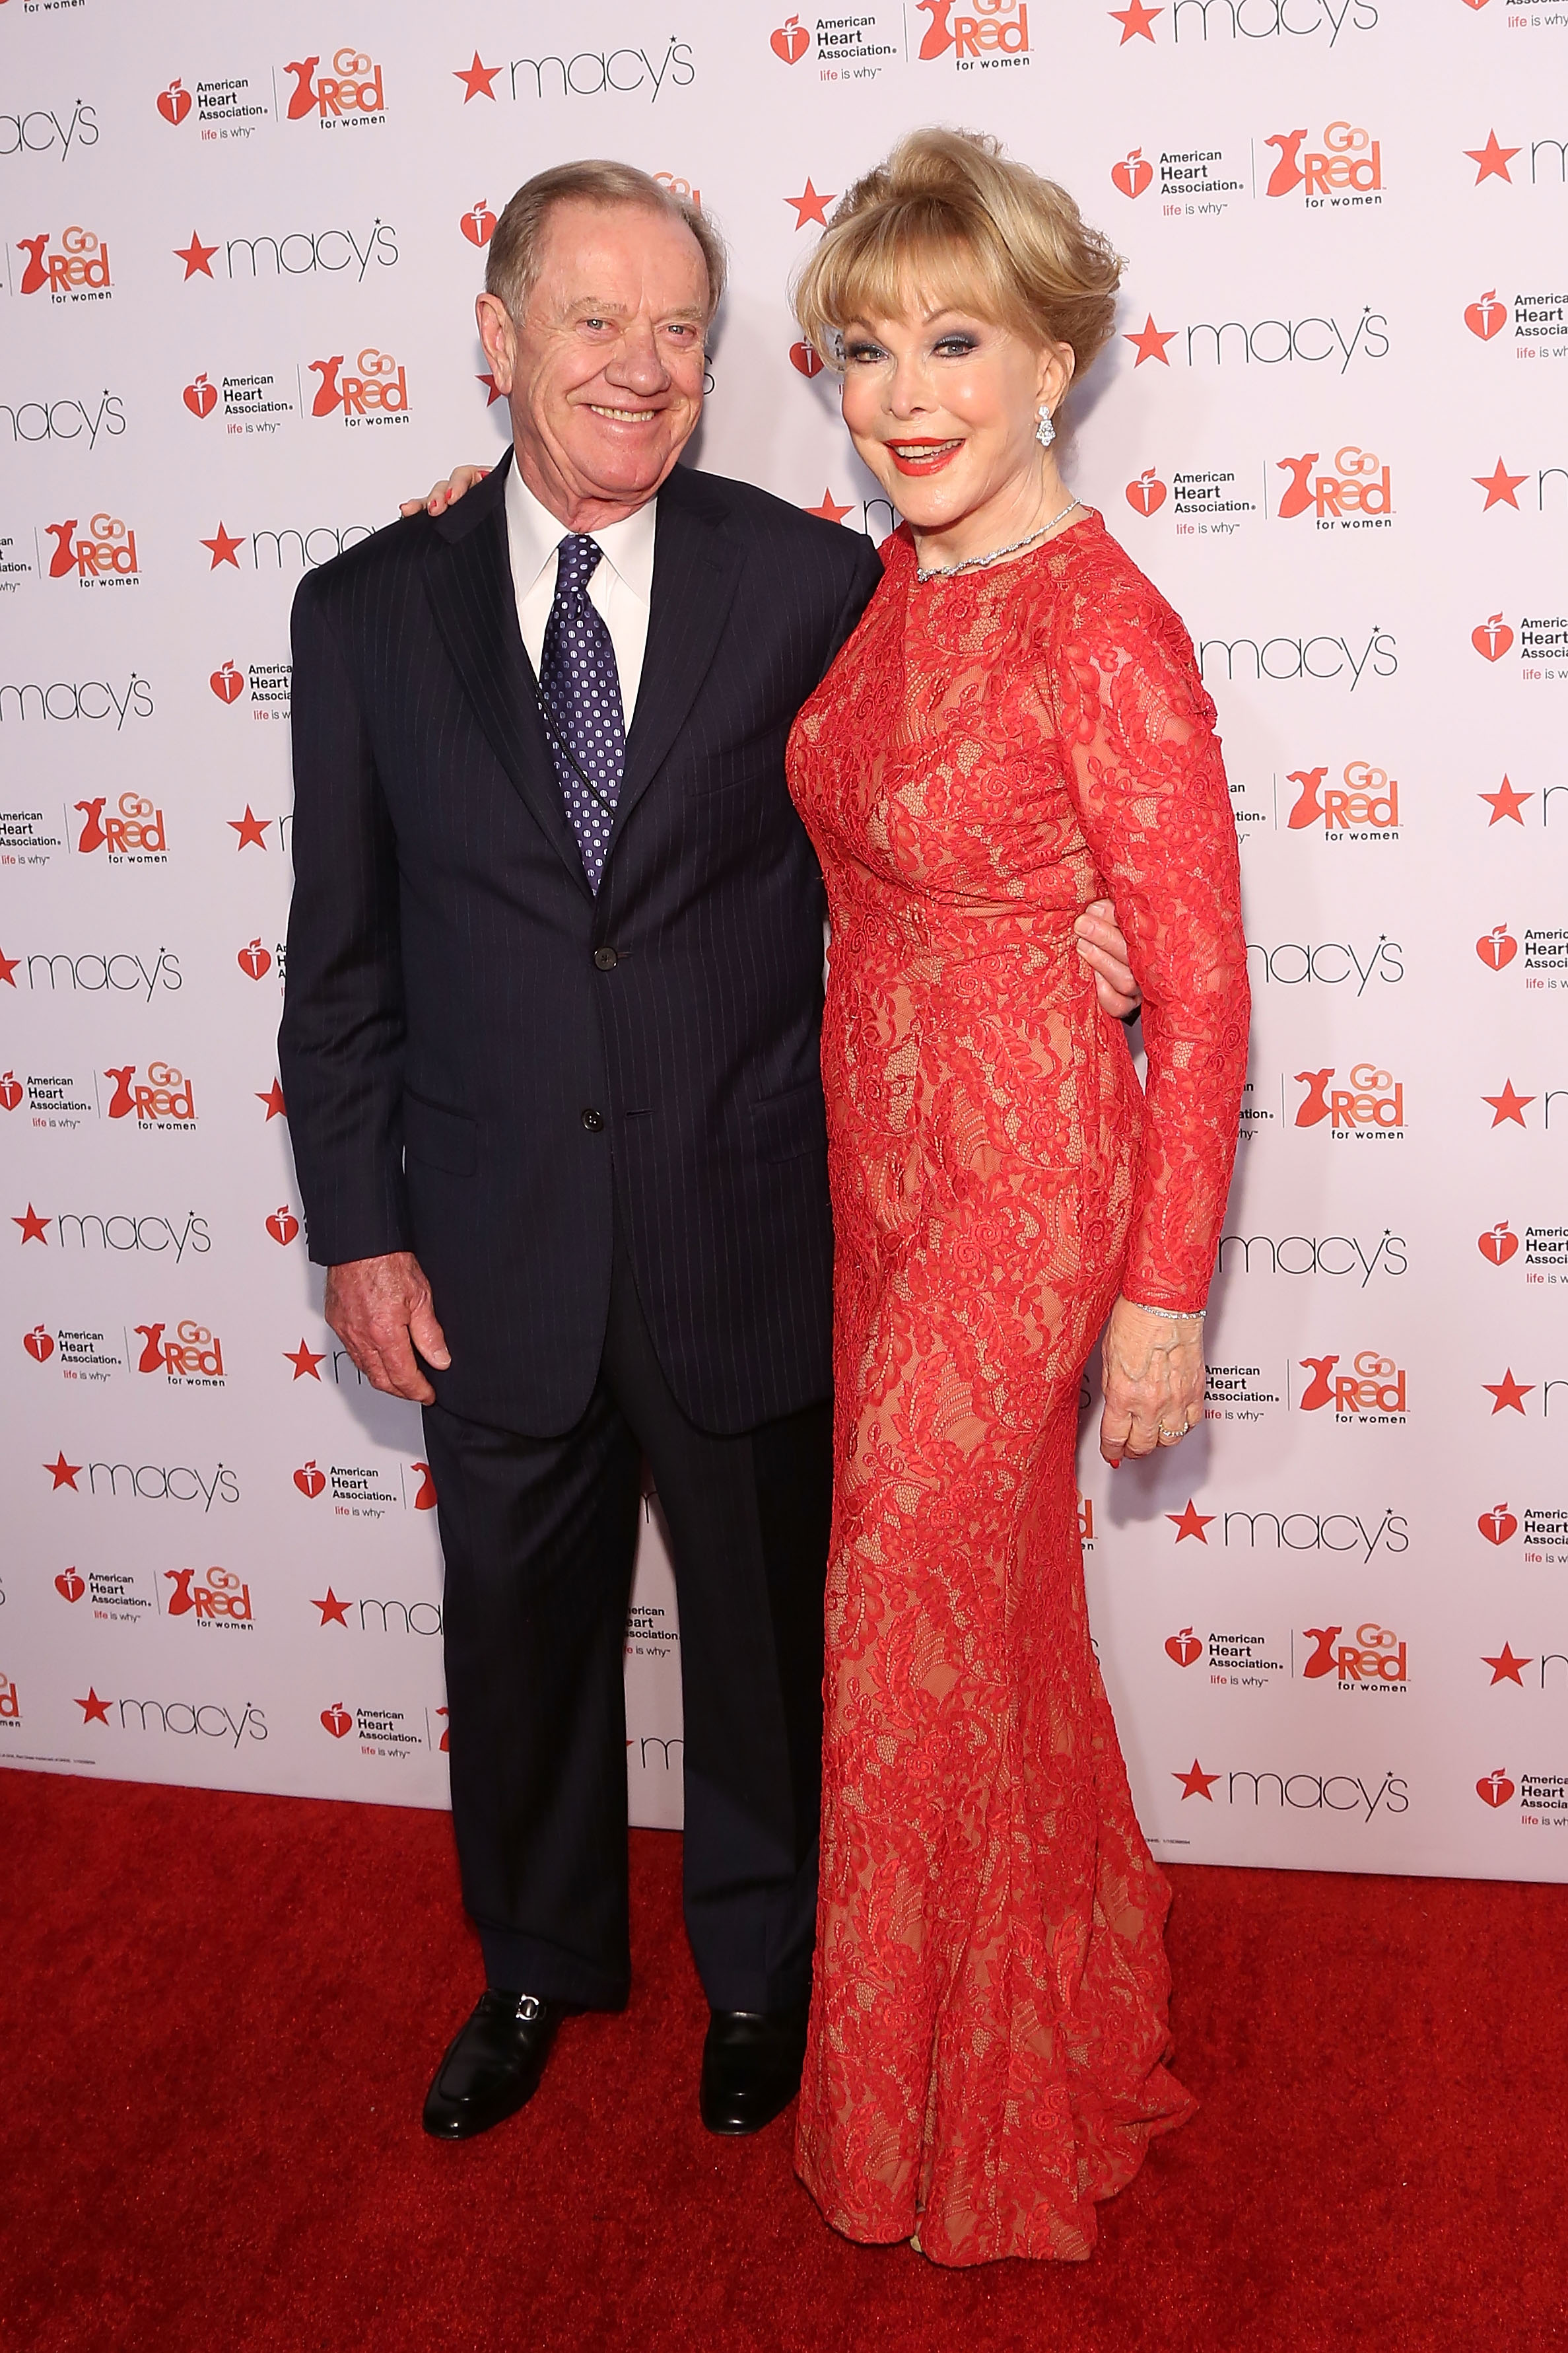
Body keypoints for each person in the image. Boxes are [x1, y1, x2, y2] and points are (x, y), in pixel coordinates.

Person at [280, 158, 1141, 2150]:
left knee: (767, 1644)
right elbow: (339, 962)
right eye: (593, 320)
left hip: (750, 1218)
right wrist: (359, 1226)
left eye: (679, 327)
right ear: (497, 342)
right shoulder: (364, 613)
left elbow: (985, 746)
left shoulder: (820, 580)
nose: (642, 367)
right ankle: (537, 1958)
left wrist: (1090, 912)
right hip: (487, 1242)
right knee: (516, 1637)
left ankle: (762, 1968)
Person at [780, 130, 1249, 2266]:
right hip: (872, 1170)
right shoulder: (893, 578)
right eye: (867, 347)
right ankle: (1027, 2033)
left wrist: (1163, 1294)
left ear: (1055, 358)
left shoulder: (1106, 619)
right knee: (990, 1632)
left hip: (1031, 1177)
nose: (907, 392)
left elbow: (1212, 991)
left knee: (891, 1608)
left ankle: (950, 2131)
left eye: (955, 337)